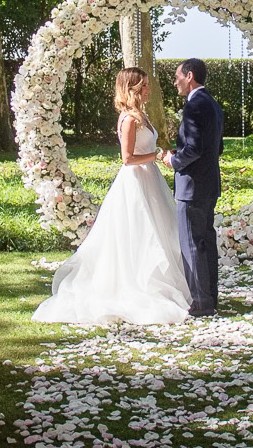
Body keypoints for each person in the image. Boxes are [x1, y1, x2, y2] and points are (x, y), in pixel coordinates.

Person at [36, 68, 191, 327]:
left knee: (157, 232)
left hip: (150, 180)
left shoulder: (142, 116)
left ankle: (158, 282)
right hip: (135, 182)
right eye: (143, 87)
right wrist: (156, 156)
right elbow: (128, 159)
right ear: (131, 89)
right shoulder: (129, 119)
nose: (148, 90)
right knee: (139, 233)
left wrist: (161, 153)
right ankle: (136, 285)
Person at [163, 58, 224, 316]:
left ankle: (200, 302)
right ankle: (211, 297)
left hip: (191, 186)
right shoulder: (213, 104)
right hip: (209, 183)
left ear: (189, 76)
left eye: (178, 77)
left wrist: (173, 160)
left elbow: (194, 148)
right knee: (207, 242)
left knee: (191, 244)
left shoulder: (193, 106)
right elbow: (216, 147)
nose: (175, 82)